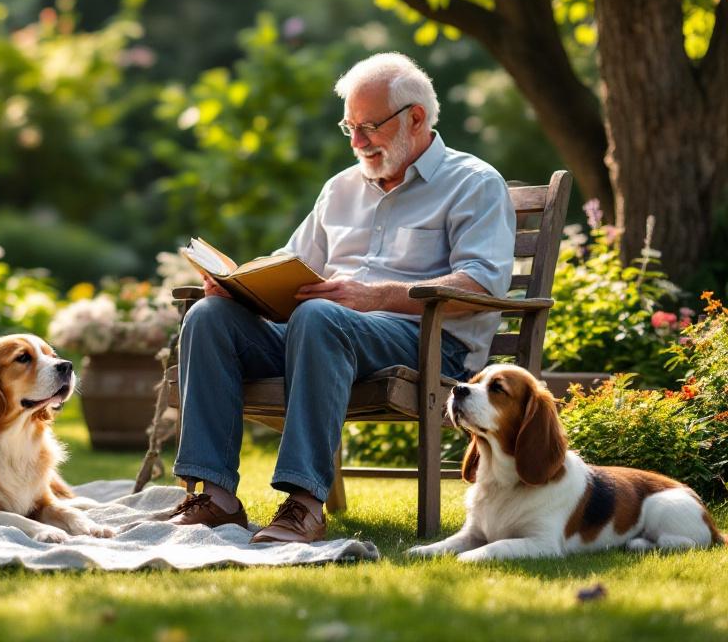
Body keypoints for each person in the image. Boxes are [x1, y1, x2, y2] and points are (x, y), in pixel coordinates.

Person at [168, 53, 515, 544]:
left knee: (319, 316)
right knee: (209, 316)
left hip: (426, 344)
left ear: (416, 118)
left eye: (369, 127)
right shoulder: (340, 189)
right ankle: (217, 499)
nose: (356, 142)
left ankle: (304, 505)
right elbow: (290, 262)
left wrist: (376, 296)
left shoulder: (473, 183)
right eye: (349, 127)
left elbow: (482, 285)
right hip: (321, 333)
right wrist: (239, 286)